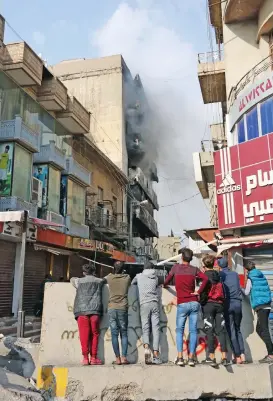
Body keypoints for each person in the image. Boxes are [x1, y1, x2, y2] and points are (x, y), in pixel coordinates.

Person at [163, 248, 208, 367]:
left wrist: (165, 285)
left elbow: (166, 282)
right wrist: (198, 292)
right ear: (191, 258)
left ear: (182, 257)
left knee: (179, 331)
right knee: (193, 331)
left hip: (182, 303)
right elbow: (206, 279)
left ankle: (180, 357)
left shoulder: (175, 268)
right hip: (194, 302)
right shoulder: (194, 269)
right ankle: (191, 358)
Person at [70, 263, 104, 366]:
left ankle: (85, 358)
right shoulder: (99, 281)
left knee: (84, 335)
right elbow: (105, 280)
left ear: (84, 272)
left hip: (81, 311)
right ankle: (94, 358)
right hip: (95, 311)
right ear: (94, 272)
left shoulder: (78, 281)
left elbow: (72, 279)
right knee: (95, 334)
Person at [200, 255, 229, 366]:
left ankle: (211, 357)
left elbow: (203, 292)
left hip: (209, 304)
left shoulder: (204, 276)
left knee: (209, 330)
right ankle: (224, 357)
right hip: (220, 304)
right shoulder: (219, 276)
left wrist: (202, 302)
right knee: (221, 330)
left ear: (204, 265)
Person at [132, 261, 162, 365]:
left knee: (145, 327)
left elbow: (132, 283)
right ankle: (156, 355)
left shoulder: (139, 276)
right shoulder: (156, 278)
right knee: (156, 328)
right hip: (154, 303)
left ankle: (146, 350)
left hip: (144, 304)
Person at [243, 260, 273, 363]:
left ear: (246, 269)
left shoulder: (251, 278)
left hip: (260, 306)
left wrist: (240, 289)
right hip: (267, 305)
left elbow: (246, 292)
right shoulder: (261, 275)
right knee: (259, 329)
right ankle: (271, 350)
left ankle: (271, 354)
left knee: (263, 330)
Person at [218, 257, 246, 364]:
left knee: (232, 331)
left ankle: (237, 356)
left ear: (220, 266)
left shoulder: (221, 275)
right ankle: (243, 354)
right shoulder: (235, 274)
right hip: (238, 303)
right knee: (238, 329)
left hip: (228, 304)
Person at [103, 261, 131, 365]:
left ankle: (118, 359)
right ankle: (124, 358)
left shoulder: (109, 277)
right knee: (124, 333)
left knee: (114, 334)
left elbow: (102, 281)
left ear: (113, 268)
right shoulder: (127, 277)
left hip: (111, 308)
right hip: (123, 308)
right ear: (123, 269)